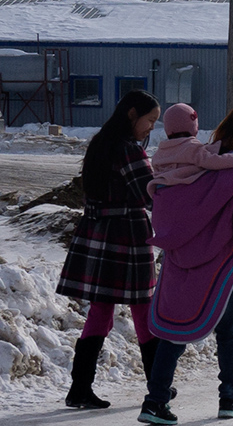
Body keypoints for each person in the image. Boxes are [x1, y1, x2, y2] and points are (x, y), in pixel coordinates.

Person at [139, 107, 233, 426]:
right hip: (220, 265)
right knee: (227, 333)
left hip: (179, 259)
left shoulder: (186, 166)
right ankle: (229, 397)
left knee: (174, 331)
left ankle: (155, 401)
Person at [57, 89, 162, 409]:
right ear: (132, 114)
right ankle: (159, 386)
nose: (151, 128)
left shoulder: (100, 144)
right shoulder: (130, 150)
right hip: (126, 238)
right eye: (150, 120)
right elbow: (150, 194)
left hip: (97, 235)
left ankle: (79, 389)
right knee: (144, 311)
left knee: (100, 311)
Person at [146, 103, 233, 196]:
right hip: (185, 193)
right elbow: (211, 161)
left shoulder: (161, 150)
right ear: (193, 126)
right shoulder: (191, 146)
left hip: (163, 194)